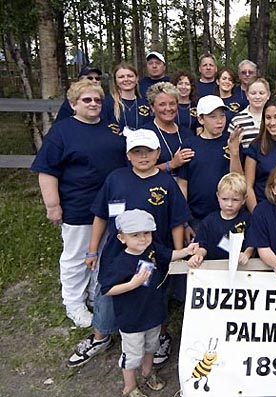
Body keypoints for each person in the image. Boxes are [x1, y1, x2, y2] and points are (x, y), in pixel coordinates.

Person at [74, 129, 190, 369]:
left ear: (158, 152)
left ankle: (159, 337)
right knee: (108, 294)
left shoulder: (166, 182)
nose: (143, 156)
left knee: (155, 295)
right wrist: (93, 250)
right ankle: (100, 336)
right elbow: (101, 216)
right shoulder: (116, 179)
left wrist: (178, 253)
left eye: (148, 151)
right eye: (137, 152)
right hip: (118, 253)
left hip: (153, 254)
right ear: (128, 155)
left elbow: (177, 220)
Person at [32, 79, 127, 329]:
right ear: (73, 104)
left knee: (105, 253)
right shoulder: (62, 132)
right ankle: (74, 303)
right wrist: (53, 205)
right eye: (87, 100)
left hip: (112, 207)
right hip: (79, 205)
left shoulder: (111, 129)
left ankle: (98, 295)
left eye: (97, 99)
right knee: (77, 256)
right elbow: (46, 171)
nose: (93, 104)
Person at [99, 209, 198, 397]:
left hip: (154, 313)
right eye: (135, 235)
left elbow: (168, 255)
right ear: (122, 238)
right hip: (132, 319)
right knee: (132, 355)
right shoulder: (121, 262)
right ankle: (129, 387)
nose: (142, 238)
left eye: (146, 233)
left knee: (152, 346)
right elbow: (107, 289)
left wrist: (186, 251)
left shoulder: (152, 249)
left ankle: (147, 372)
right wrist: (132, 284)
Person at [178, 95, 243, 221]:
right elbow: (183, 183)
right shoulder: (190, 144)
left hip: (229, 214)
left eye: (222, 115)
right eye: (212, 116)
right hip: (197, 216)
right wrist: (184, 219)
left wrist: (234, 152)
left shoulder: (231, 141)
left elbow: (238, 181)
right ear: (201, 119)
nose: (219, 121)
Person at [190, 173, 255, 267]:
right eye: (225, 199)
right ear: (218, 196)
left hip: (241, 269)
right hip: (213, 270)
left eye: (235, 200)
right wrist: (198, 255)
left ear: (244, 199)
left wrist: (246, 254)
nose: (229, 204)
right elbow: (202, 246)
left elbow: (252, 243)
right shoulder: (209, 221)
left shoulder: (248, 220)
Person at [143, 82, 195, 177]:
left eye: (172, 104)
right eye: (162, 104)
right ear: (152, 107)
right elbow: (140, 170)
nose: (168, 108)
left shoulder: (187, 134)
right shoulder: (144, 134)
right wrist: (171, 164)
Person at [103, 63, 151, 131]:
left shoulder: (146, 102)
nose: (126, 79)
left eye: (130, 76)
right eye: (121, 77)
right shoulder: (107, 103)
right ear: (116, 81)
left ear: (137, 79)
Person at [228, 77, 271, 151]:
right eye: (253, 93)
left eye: (261, 93)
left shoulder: (275, 119)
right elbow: (231, 147)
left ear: (268, 95)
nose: (257, 97)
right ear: (247, 95)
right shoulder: (237, 120)